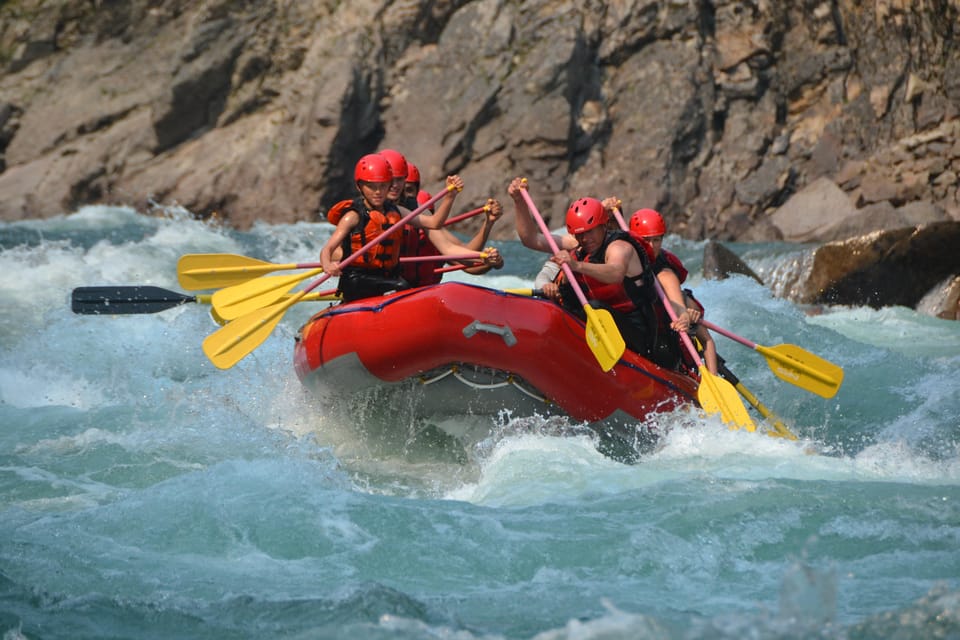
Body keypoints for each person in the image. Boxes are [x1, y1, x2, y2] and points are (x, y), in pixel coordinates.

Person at [507, 177, 674, 367]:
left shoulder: (620, 247)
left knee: (595, 307)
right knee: (561, 307)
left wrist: (576, 266)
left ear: (604, 225)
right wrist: (518, 201)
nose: (585, 239)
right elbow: (531, 239)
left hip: (637, 332)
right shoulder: (580, 244)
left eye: (590, 231)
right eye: (580, 234)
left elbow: (615, 273)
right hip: (597, 328)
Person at [320, 153, 460, 302]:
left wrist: (450, 197)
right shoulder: (352, 216)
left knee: (403, 287)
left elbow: (434, 223)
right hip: (357, 279)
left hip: (385, 277)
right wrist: (328, 265)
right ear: (359, 186)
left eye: (383, 186)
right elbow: (327, 250)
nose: (378, 192)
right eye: (371, 187)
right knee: (401, 286)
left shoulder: (396, 211)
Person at [629, 208, 719, 374]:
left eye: (656, 240)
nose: (651, 246)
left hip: (668, 344)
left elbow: (707, 340)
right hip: (643, 331)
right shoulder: (625, 254)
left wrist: (685, 318)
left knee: (691, 313)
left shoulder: (665, 274)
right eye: (646, 240)